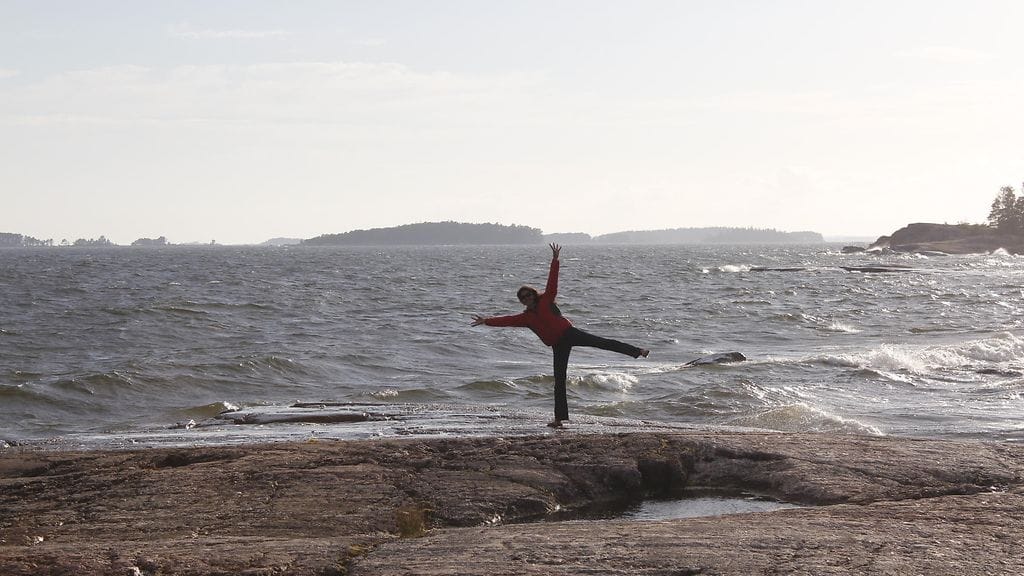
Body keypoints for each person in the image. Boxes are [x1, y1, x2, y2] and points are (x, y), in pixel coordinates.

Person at [472, 243, 649, 428]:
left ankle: (638, 351)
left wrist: (555, 260)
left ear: (534, 294)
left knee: (604, 343)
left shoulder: (547, 299)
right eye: (523, 298)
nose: (527, 299)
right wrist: (487, 320)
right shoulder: (526, 318)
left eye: (529, 295)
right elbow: (506, 320)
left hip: (569, 334)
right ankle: (559, 419)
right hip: (558, 344)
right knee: (559, 380)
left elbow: (552, 282)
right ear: (522, 301)